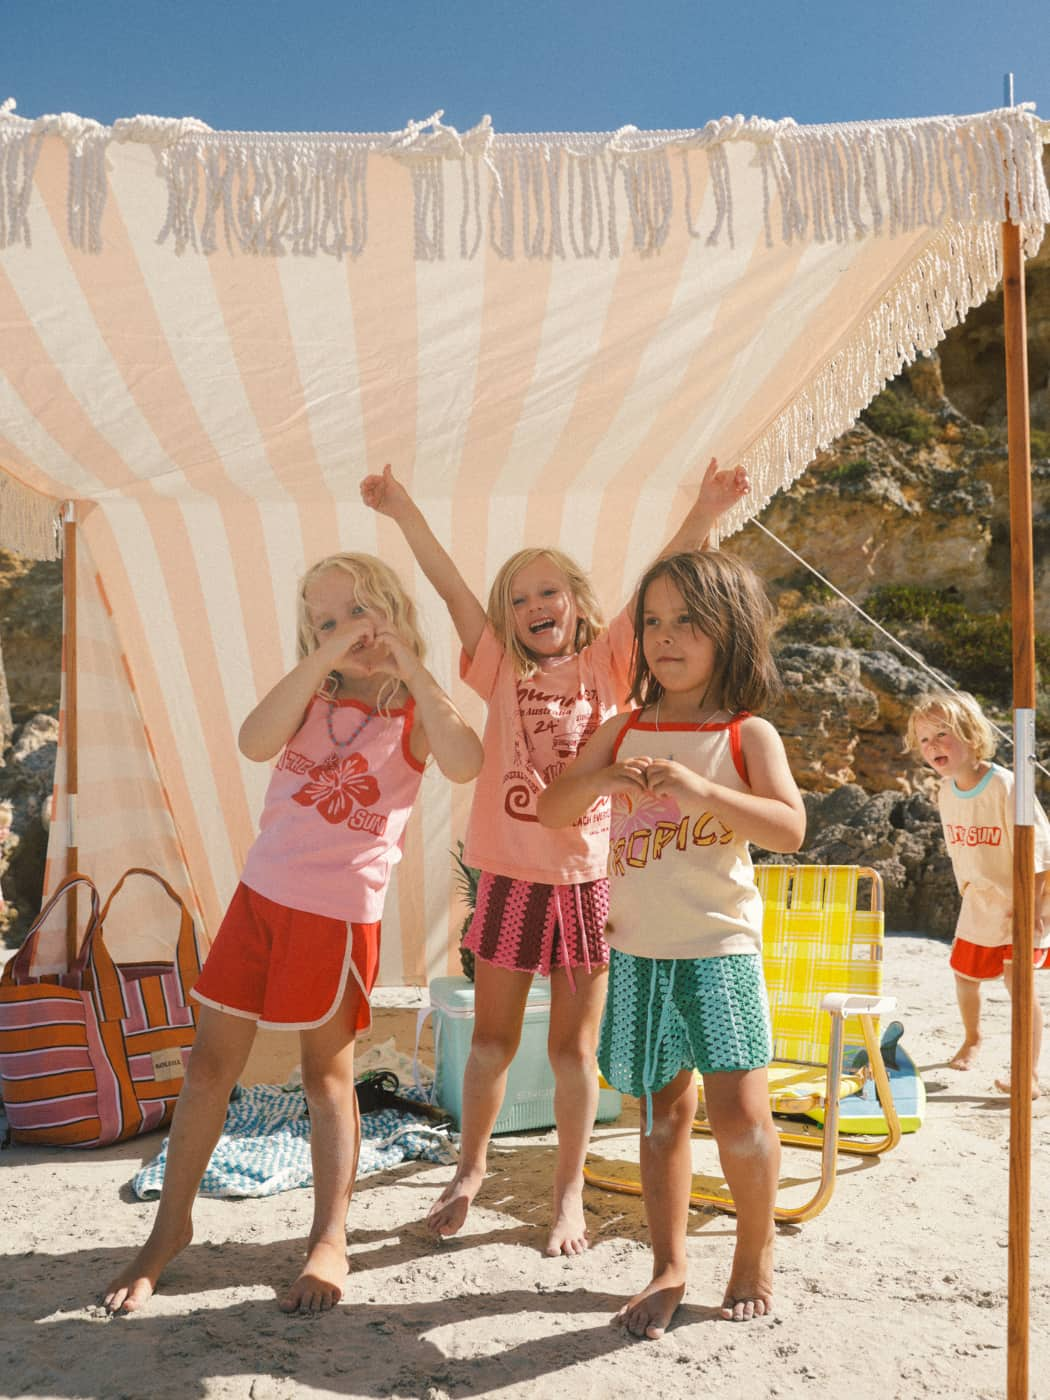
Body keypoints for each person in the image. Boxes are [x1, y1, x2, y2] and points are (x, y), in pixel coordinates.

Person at [360, 460, 746, 1257]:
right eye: (519, 599)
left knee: (574, 1050)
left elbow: (652, 589)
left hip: (590, 884)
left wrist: (705, 507)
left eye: (549, 593)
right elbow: (449, 588)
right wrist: (400, 507)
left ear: (576, 604)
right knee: (494, 1042)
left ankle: (568, 1192)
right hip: (508, 877)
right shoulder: (496, 665)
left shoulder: (609, 662)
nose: (535, 607)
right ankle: (469, 1168)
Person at [103, 553, 482, 1315]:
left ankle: (329, 1238)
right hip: (259, 900)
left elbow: (468, 760)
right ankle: (169, 1226)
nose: (345, 633)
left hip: (336, 916)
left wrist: (406, 660)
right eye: (324, 622)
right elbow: (252, 740)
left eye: (357, 614)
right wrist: (321, 661)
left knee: (325, 1080)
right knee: (210, 1067)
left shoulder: (416, 710)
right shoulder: (313, 694)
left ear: (394, 612)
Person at [537, 549, 805, 1336]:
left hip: (720, 953)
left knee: (741, 1117)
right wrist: (601, 783)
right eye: (653, 621)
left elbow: (789, 829)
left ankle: (753, 1253)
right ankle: (669, 1264)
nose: (665, 636)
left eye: (687, 620)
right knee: (658, 1117)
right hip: (639, 956)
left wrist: (701, 791)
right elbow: (554, 809)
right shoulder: (622, 728)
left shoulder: (745, 733)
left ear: (731, 630)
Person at [906, 690, 1050, 1097]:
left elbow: (1040, 848)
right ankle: (973, 1037)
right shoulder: (946, 792)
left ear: (971, 736)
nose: (933, 745)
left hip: (1022, 902)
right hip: (979, 902)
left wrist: (1036, 907)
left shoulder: (1005, 784)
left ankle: (1027, 1073)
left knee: (1018, 985)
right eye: (924, 739)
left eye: (942, 734)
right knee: (965, 977)